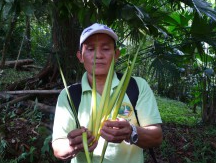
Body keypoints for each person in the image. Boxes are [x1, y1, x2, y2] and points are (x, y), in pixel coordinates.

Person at [52, 23, 163, 163]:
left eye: (105, 48)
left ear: (116, 54)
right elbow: (58, 148)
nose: (98, 55)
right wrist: (73, 144)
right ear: (80, 56)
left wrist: (131, 131)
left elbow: (157, 137)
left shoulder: (137, 86)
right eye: (90, 49)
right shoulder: (69, 95)